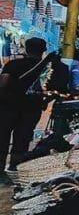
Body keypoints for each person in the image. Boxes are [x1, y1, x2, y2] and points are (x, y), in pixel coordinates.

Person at [0, 38, 61, 171]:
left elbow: (3, 84)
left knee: (2, 139)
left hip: (8, 108)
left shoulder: (13, 64)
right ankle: (14, 169)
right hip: (31, 110)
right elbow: (54, 89)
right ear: (44, 50)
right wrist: (43, 102)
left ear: (26, 49)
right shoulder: (47, 67)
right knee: (22, 142)